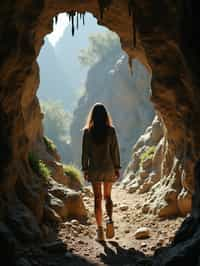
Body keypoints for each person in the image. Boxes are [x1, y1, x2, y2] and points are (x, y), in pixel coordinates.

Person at [81, 103, 121, 241]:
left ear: (92, 115)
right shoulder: (111, 131)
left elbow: (85, 153)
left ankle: (99, 231)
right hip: (108, 168)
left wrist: (85, 169)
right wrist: (117, 167)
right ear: (105, 115)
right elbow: (115, 150)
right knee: (108, 197)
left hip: (94, 170)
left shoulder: (87, 132)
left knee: (97, 199)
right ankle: (109, 220)